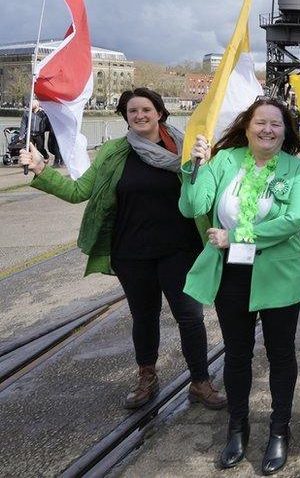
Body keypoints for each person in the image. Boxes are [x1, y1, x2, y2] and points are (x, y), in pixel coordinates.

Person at [19, 88, 224, 411]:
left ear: (160, 113)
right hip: (131, 253)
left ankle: (200, 381)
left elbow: (210, 191)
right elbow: (78, 191)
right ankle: (147, 376)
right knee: (144, 317)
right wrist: (42, 170)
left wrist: (207, 163)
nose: (140, 116)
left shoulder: (187, 149)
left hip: (181, 249)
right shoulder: (114, 152)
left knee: (189, 316)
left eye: (146, 109)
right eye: (132, 112)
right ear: (126, 117)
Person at [182, 97, 300, 474]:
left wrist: (236, 236)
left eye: (276, 124)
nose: (268, 129)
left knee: (280, 354)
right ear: (247, 125)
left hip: (279, 276)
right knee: (237, 355)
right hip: (231, 275)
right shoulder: (224, 160)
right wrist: (195, 169)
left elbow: (294, 219)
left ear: (285, 131)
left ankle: (279, 431)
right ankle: (236, 429)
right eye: (261, 122)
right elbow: (193, 206)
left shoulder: (297, 169)